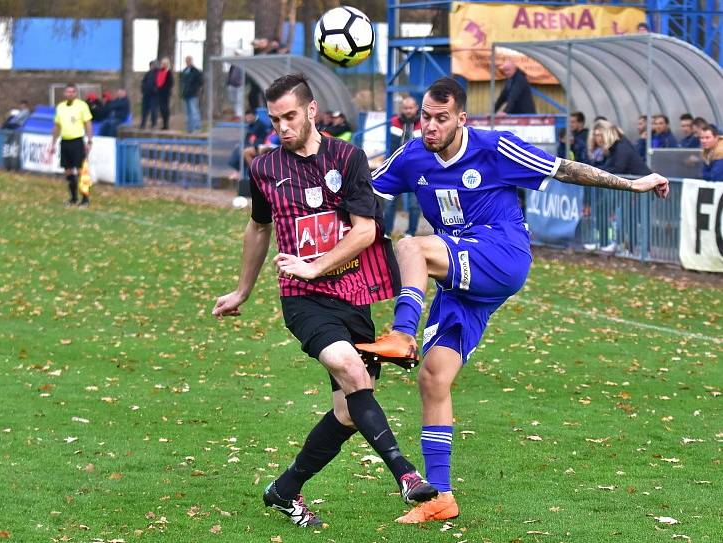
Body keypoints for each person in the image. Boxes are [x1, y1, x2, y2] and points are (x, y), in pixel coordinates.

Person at [356, 77, 669, 524]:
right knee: (433, 377)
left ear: (461, 118)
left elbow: (566, 169)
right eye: (425, 116)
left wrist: (633, 184)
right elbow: (364, 191)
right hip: (459, 278)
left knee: (412, 246)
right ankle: (440, 497)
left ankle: (402, 334)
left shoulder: (496, 148)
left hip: (501, 255)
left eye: (441, 118)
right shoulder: (411, 156)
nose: (429, 126)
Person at [212, 73, 437, 528]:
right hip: (303, 298)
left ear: (311, 111)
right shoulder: (264, 168)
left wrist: (319, 264)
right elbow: (258, 228)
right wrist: (242, 290)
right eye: (275, 120)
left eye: (290, 116)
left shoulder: (348, 158)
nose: (283, 127)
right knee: (352, 370)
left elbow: (367, 229)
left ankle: (285, 489)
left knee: (348, 411)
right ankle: (406, 474)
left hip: (353, 293)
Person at [49, 83, 93, 207]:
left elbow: (88, 123)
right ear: (64, 93)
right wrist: (53, 143)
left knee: (81, 170)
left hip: (77, 141)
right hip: (65, 141)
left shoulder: (82, 106)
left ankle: (85, 198)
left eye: (72, 92)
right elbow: (57, 126)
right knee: (67, 171)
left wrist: (89, 140)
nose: (69, 94)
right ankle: (73, 198)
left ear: (76, 93)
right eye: (67, 92)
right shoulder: (61, 107)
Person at [384, 96, 422, 238]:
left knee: (414, 203)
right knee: (389, 202)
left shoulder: (423, 122)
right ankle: (387, 232)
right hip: (396, 169)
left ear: (416, 107)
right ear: (401, 108)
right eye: (405, 108)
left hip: (416, 170)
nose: (408, 111)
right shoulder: (394, 122)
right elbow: (392, 146)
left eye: (410, 108)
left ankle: (411, 232)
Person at [180, 55, 203, 132]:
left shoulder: (196, 71)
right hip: (186, 94)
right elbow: (182, 82)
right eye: (186, 61)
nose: (187, 62)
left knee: (194, 111)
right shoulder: (184, 71)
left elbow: (200, 82)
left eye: (189, 61)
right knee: (188, 112)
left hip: (193, 94)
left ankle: (197, 127)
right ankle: (190, 128)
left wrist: (196, 90)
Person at [156, 57, 174, 130]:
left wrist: (165, 88)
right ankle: (164, 124)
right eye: (162, 63)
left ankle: (166, 124)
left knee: (165, 108)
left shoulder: (168, 72)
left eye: (164, 63)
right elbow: (157, 81)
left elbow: (171, 83)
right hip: (160, 92)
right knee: (161, 108)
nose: (162, 64)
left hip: (165, 93)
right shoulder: (160, 71)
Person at [140, 60, 159, 129]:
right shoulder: (147, 74)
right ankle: (143, 124)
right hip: (146, 95)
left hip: (154, 96)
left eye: (153, 65)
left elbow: (159, 84)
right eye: (151, 65)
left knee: (154, 111)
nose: (152, 66)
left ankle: (154, 125)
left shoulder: (158, 73)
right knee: (144, 110)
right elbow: (143, 82)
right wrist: (143, 89)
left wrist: (155, 90)